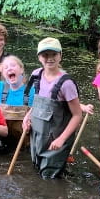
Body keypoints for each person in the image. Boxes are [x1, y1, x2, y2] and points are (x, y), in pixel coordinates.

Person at [22, 37, 82, 179]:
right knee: (37, 170)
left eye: (53, 54)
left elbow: (77, 115)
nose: (49, 58)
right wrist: (27, 116)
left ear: (60, 55)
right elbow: (36, 103)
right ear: (39, 57)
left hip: (56, 139)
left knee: (49, 177)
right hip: (37, 135)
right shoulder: (36, 75)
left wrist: (61, 139)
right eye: (45, 55)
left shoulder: (66, 83)